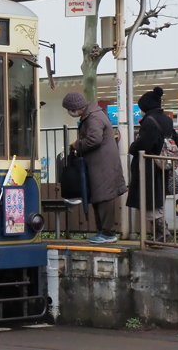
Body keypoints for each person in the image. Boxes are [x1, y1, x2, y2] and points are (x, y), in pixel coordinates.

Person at [62, 92, 127, 243]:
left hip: (103, 164)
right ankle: (102, 231)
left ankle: (108, 233)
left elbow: (94, 139)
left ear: (75, 108)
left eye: (69, 109)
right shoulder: (93, 114)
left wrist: (76, 144)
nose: (69, 112)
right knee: (100, 196)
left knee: (104, 197)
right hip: (101, 163)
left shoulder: (93, 117)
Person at [126, 87, 177, 241]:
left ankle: (161, 232)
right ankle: (160, 232)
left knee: (149, 201)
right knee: (157, 200)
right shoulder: (167, 120)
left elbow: (144, 144)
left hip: (149, 168)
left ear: (145, 107)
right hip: (163, 166)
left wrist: (132, 147)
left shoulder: (149, 121)